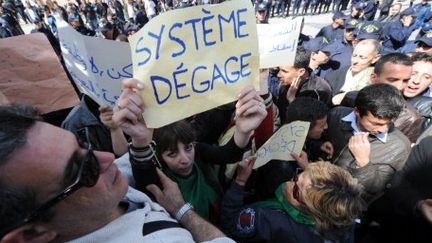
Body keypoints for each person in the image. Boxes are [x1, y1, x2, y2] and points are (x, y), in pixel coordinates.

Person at [0, 103, 234, 242]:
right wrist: (183, 211)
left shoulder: (101, 194)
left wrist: (140, 140)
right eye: (81, 171)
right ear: (32, 235)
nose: (107, 158)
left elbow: (134, 167)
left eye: (84, 147)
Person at [112, 80, 267, 223]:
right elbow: (144, 175)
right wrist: (140, 142)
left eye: (188, 148)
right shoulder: (159, 178)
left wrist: (242, 131)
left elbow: (228, 154)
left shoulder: (199, 152)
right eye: (172, 154)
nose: (185, 159)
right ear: (160, 155)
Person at [221, 158, 366, 242]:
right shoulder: (345, 213)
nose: (290, 182)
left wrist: (240, 180)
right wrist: (309, 171)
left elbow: (229, 222)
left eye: (297, 189)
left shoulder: (266, 220)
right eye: (299, 174)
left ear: (311, 208)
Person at [324, 83, 411, 204]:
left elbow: (376, 189)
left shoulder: (398, 146)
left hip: (345, 207)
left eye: (389, 123)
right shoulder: (336, 115)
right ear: (357, 112)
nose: (383, 129)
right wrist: (321, 144)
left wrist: (363, 163)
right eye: (376, 123)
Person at [336, 53, 423, 143]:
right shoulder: (351, 98)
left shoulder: (410, 119)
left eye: (405, 80)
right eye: (392, 80)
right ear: (374, 78)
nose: (400, 86)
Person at [274, 48, 332, 123]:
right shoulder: (285, 84)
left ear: (301, 72)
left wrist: (292, 100)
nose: (278, 75)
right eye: (279, 70)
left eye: (284, 71)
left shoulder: (320, 90)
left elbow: (312, 123)